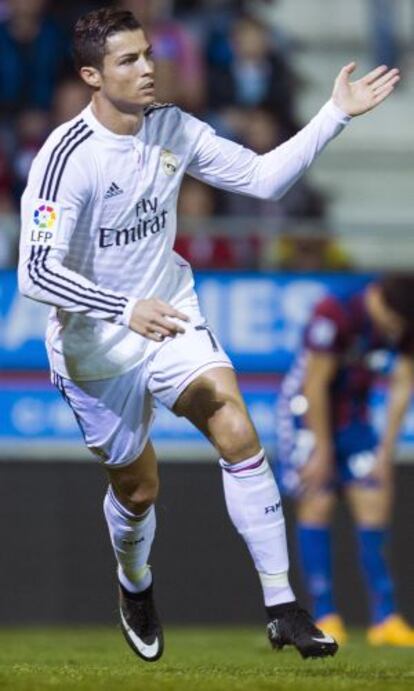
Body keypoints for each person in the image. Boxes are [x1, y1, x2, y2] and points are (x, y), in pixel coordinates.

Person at [18, 6, 399, 662]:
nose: (148, 68)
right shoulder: (66, 159)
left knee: (234, 421)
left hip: (171, 314)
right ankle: (134, 580)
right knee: (138, 489)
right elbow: (34, 271)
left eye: (147, 54)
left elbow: (263, 178)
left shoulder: (172, 126)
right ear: (91, 75)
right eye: (128, 60)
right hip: (96, 345)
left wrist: (334, 113)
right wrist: (121, 306)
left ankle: (283, 606)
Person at [276, 275, 414, 646]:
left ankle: (385, 618)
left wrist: (387, 450)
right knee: (316, 498)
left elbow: (404, 380)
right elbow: (315, 383)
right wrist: (321, 449)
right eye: (394, 322)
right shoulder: (335, 311)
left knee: (375, 497)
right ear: (380, 301)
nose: (395, 331)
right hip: (306, 411)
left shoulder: (403, 322)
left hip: (354, 416)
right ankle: (325, 615)